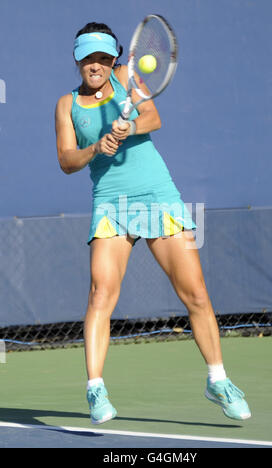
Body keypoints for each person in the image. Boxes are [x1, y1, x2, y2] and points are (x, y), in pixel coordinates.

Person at [55, 22, 251, 424]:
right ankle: (96, 390)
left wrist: (127, 130)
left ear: (113, 59)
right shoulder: (66, 104)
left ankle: (218, 380)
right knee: (99, 295)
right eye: (88, 58)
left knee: (195, 293)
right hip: (110, 204)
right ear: (78, 61)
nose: (96, 65)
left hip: (157, 196)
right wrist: (95, 147)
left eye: (103, 58)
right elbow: (66, 161)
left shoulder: (128, 76)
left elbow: (153, 117)